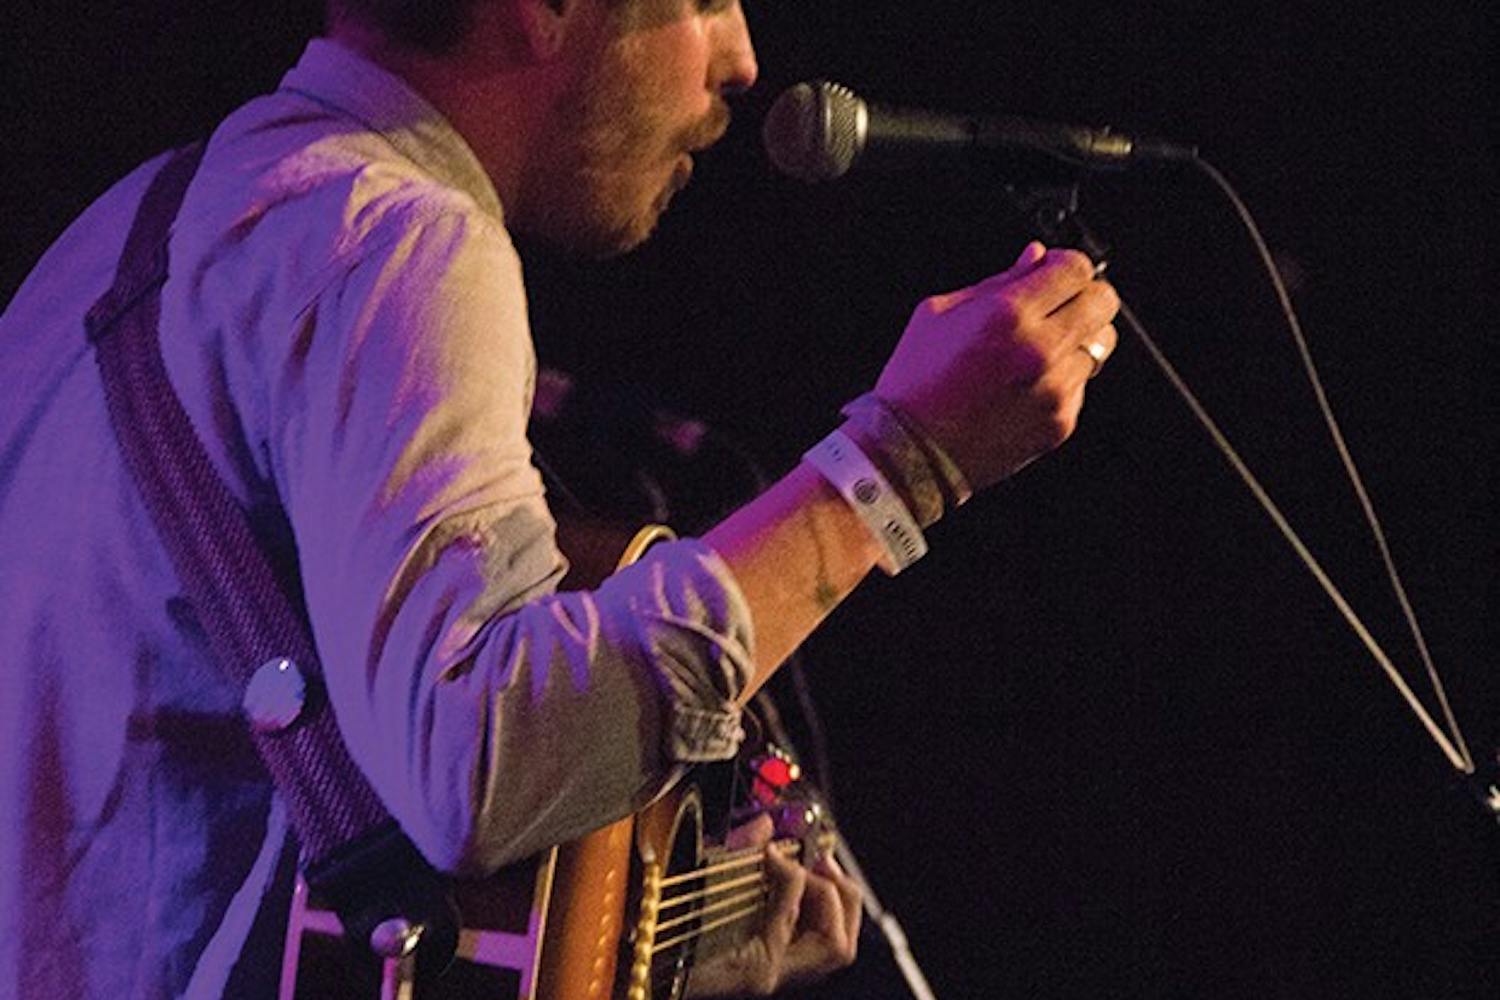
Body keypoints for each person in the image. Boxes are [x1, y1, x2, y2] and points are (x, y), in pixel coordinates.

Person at [0, 0, 1120, 996]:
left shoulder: (122, 233)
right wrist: (900, 465)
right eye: (701, 0)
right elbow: (476, 759)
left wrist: (650, 941)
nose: (743, 59)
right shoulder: (404, 237)